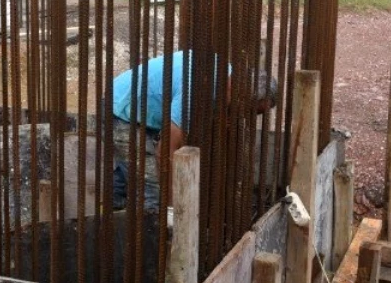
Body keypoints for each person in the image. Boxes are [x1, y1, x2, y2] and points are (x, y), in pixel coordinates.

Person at [110, 50, 278, 211]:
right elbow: (166, 149)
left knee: (134, 172)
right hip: (122, 112)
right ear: (241, 94)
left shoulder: (225, 77)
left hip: (143, 112)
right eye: (250, 111)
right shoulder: (198, 87)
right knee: (153, 191)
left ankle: (112, 210)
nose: (246, 118)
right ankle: (151, 235)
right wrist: (171, 209)